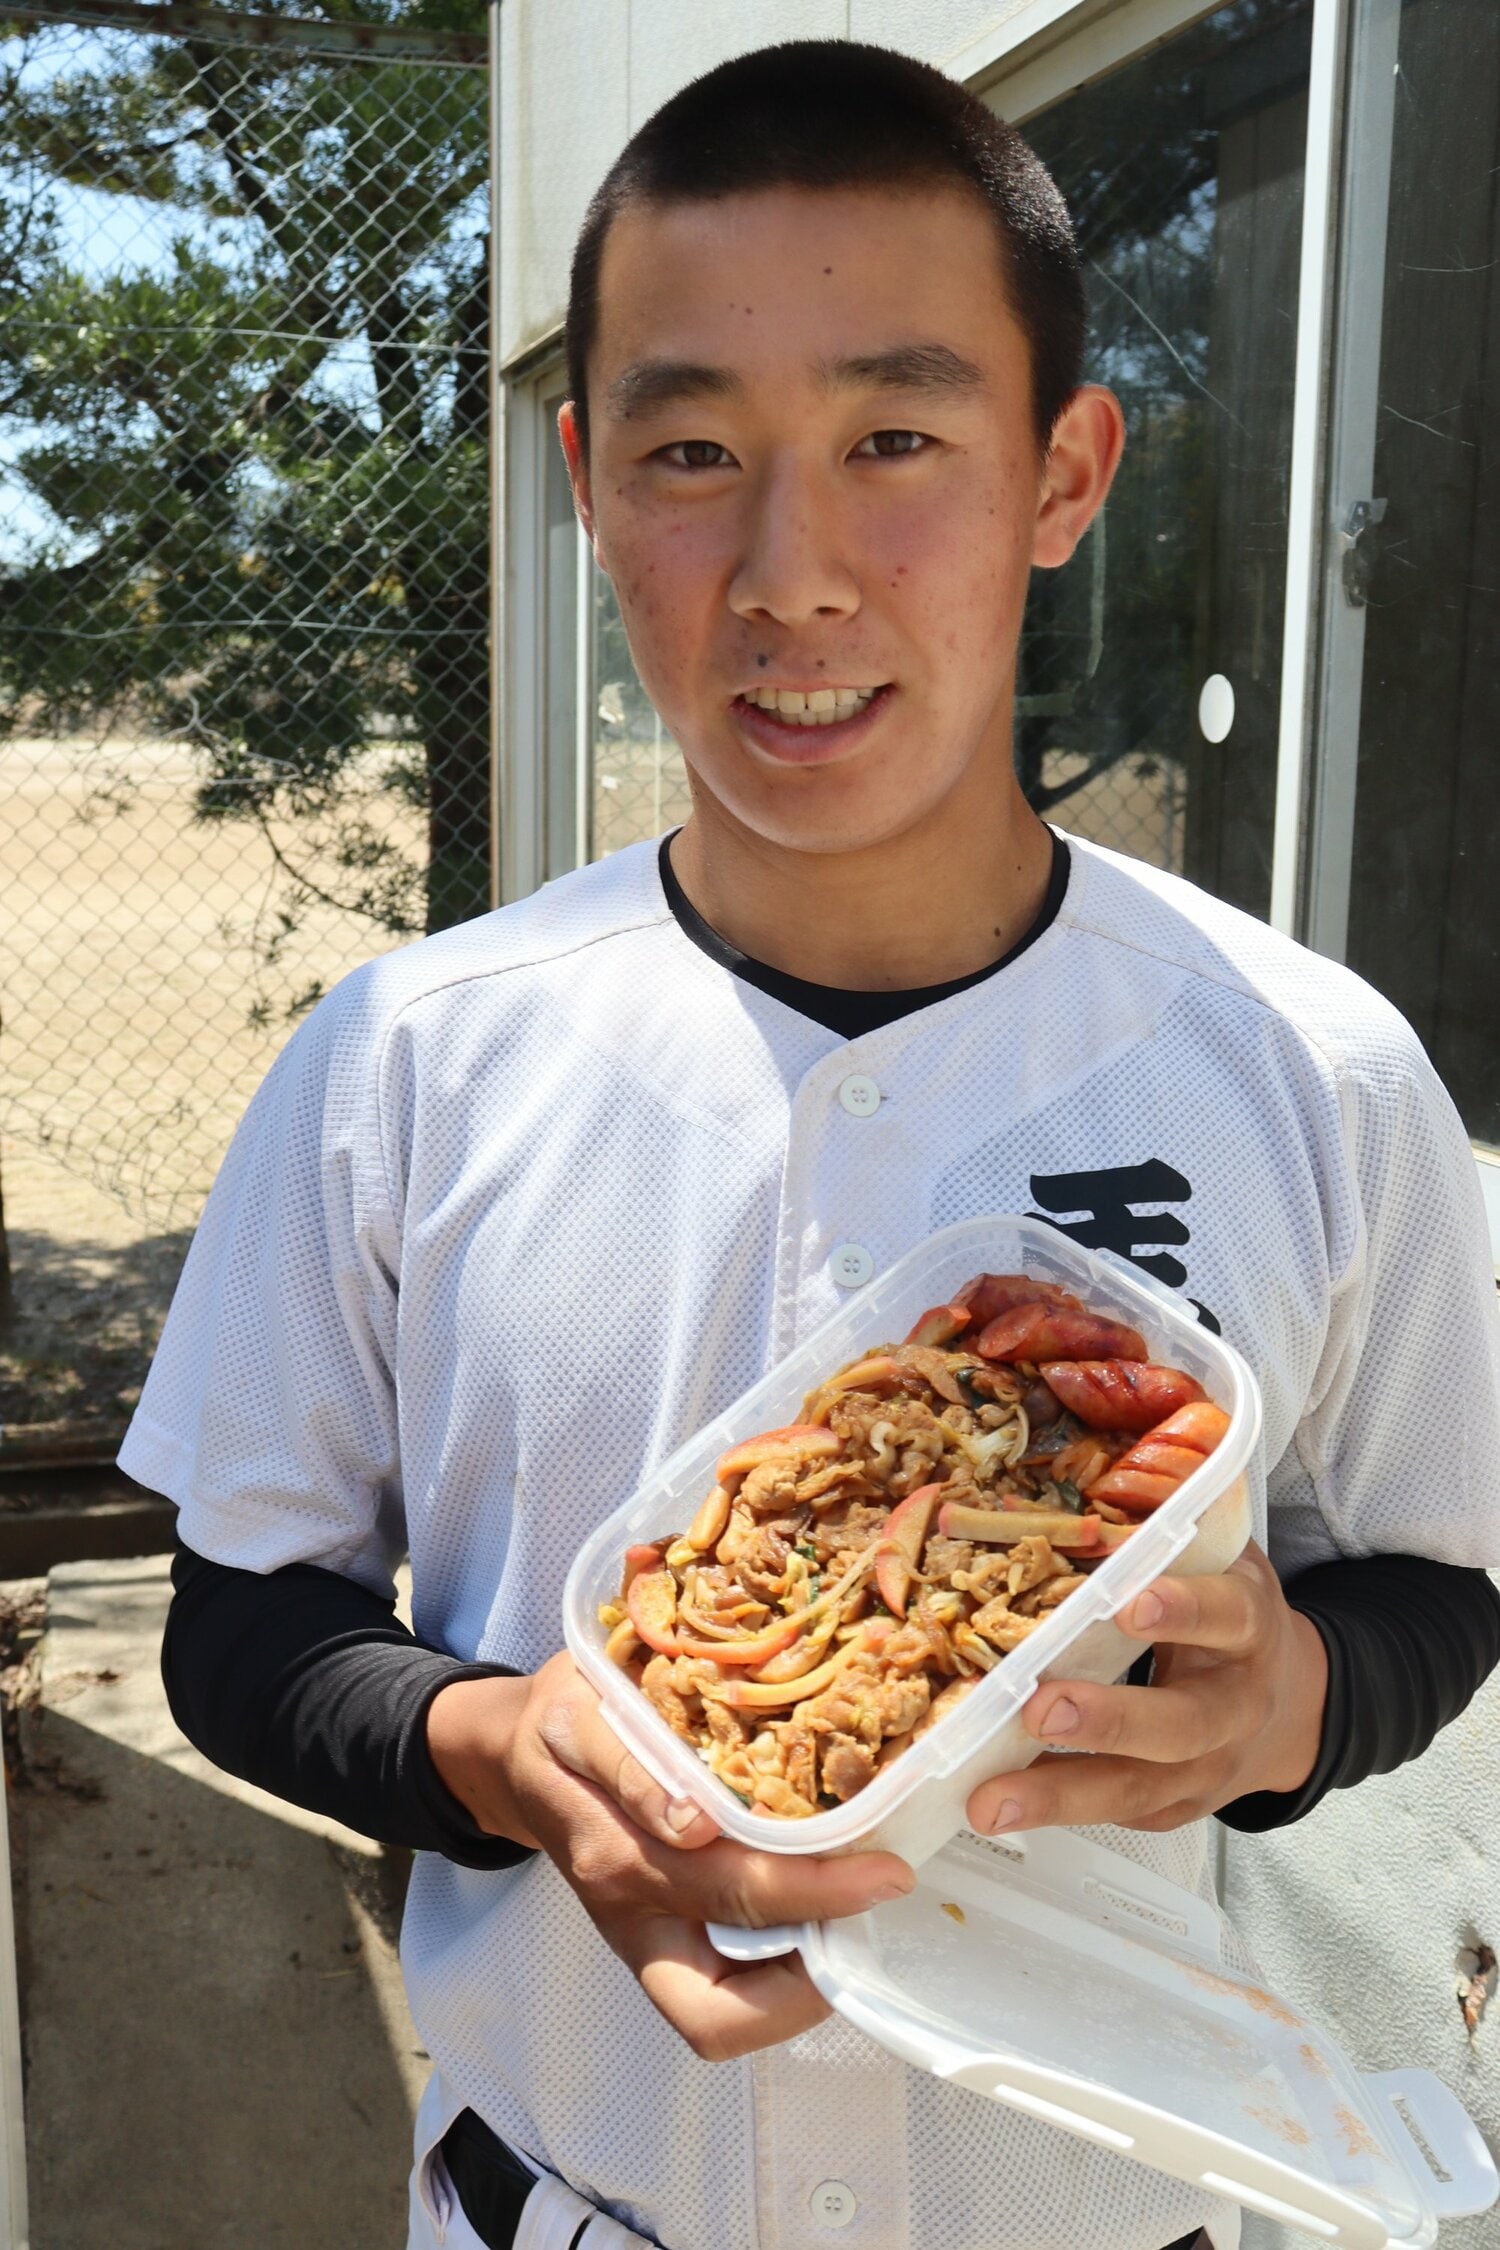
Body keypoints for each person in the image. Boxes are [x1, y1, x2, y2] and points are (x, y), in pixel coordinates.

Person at [128, 40, 1500, 2250]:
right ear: (585, 482)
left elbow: (1437, 1578)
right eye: (693, 452)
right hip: (566, 2202)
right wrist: (496, 1754)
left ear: (1065, 470)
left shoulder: (1315, 1072)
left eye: (895, 439)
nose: (791, 570)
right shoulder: (404, 1064)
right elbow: (243, 1621)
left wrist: (1298, 1703)